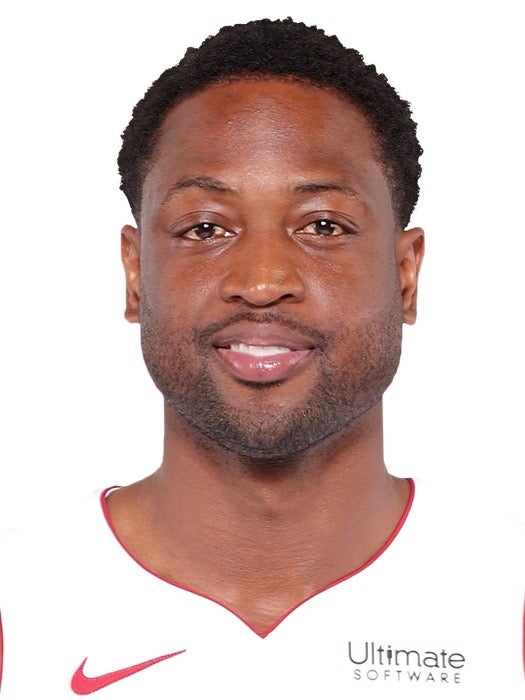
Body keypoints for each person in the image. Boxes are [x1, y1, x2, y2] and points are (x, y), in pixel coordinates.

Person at [0, 17, 523, 698]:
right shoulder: (20, 606)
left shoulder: (504, 606)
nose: (262, 280)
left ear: (405, 276)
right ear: (135, 274)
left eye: (323, 226)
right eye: (205, 228)